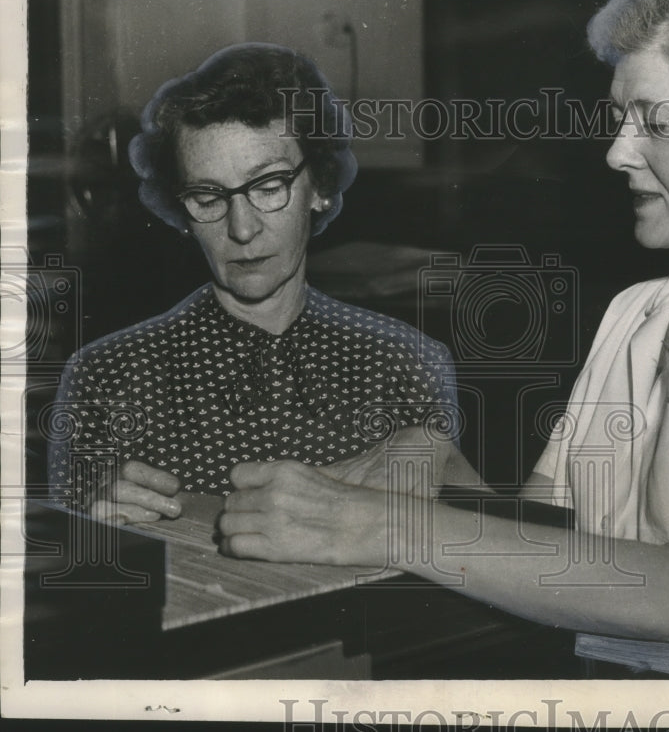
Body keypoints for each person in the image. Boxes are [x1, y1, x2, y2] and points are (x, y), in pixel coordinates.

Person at [215, 0, 669, 680]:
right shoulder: (636, 313)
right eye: (620, 121)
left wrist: (383, 525)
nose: (617, 153)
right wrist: (442, 465)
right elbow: (547, 541)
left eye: (656, 125)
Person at [48, 43, 459, 521]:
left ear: (320, 186)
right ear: (181, 210)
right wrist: (94, 532)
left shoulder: (409, 365)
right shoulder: (104, 376)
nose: (242, 229)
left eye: (268, 187)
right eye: (207, 196)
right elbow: (67, 575)